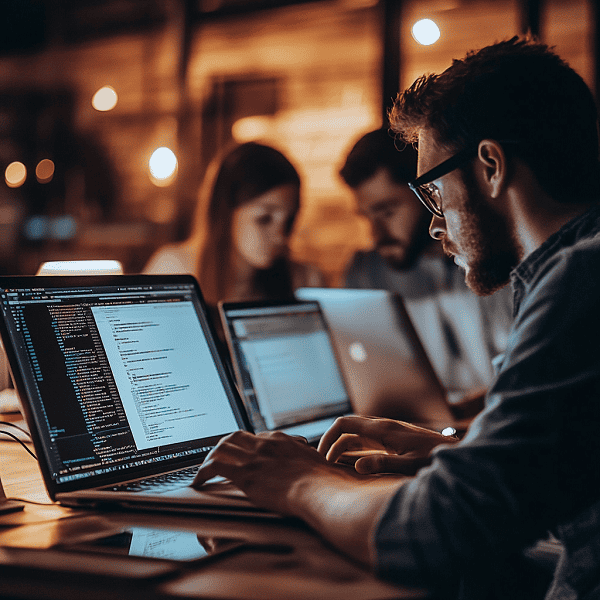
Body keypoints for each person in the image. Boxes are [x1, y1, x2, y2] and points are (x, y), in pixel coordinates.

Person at [192, 37, 600, 599]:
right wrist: (457, 456)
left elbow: (433, 532)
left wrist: (300, 480)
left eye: (433, 192)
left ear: (490, 166)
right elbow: (567, 473)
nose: (435, 225)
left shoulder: (581, 281)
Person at [340, 128, 513, 401]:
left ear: (428, 193)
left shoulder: (498, 260)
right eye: (367, 216)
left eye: (387, 211)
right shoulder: (366, 277)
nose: (375, 233)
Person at [144, 141, 325, 310]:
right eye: (264, 218)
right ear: (225, 213)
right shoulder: (174, 269)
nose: (280, 236)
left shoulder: (303, 281)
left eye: (289, 220)